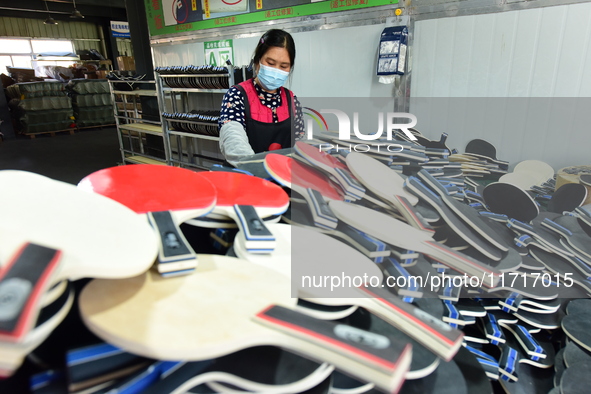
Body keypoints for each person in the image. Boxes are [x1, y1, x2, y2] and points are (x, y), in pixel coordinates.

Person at [218, 29, 304, 165]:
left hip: (283, 179)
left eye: (283, 66)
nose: (276, 70)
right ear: (258, 60)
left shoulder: (291, 99)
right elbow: (233, 141)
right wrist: (258, 169)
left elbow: (300, 142)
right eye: (270, 63)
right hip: (248, 177)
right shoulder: (237, 95)